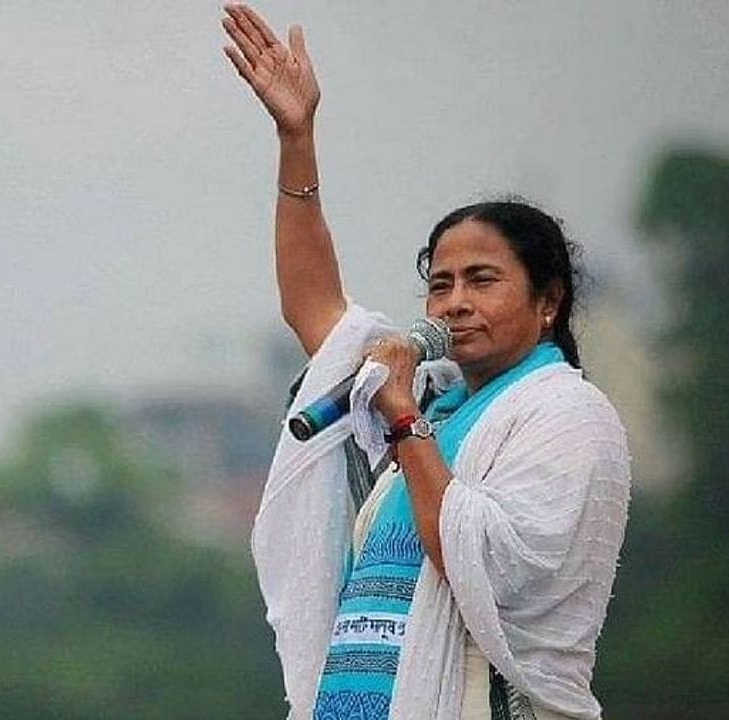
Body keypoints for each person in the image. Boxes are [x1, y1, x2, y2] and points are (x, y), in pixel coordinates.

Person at [220, 5, 631, 720]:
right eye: (441, 285)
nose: (456, 302)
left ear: (548, 301)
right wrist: (297, 139)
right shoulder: (436, 401)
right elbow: (315, 308)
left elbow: (490, 568)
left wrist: (405, 420)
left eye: (482, 280)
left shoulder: (566, 413)